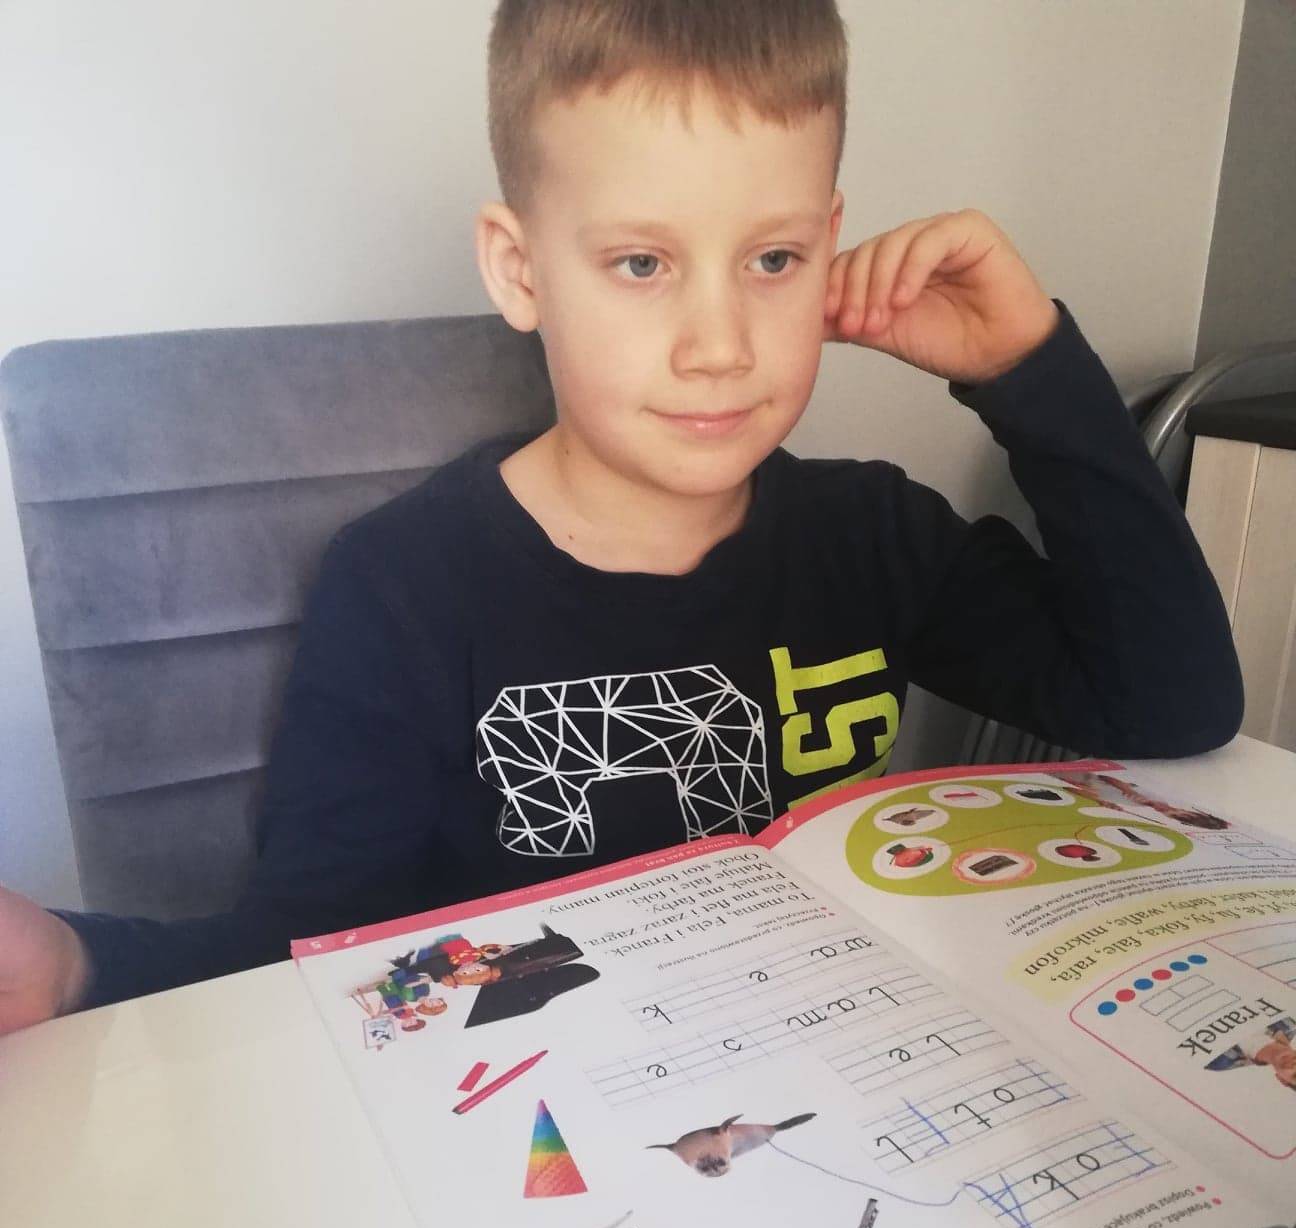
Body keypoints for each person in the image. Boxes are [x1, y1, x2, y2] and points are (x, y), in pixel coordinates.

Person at [0, 0, 1243, 1036]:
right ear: (520, 269)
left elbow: (1171, 703)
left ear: (830, 246)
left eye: (772, 260)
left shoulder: (873, 534)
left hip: (840, 1069)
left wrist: (1029, 367)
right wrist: (82, 967)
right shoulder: (404, 586)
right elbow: (308, 958)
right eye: (643, 264)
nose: (719, 346)